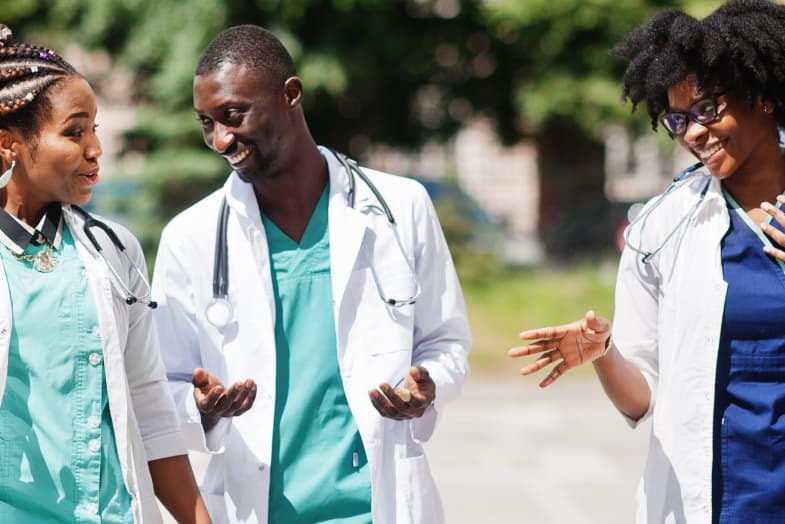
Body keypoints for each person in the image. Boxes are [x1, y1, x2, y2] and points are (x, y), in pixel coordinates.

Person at [151, 24, 471, 524]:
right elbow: (164, 384)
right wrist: (203, 406)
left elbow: (446, 342)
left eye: (233, 115)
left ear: (291, 95)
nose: (220, 139)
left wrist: (427, 387)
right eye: (206, 123)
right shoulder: (189, 238)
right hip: (258, 508)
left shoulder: (399, 208)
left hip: (378, 506)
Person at [508, 1, 785, 522]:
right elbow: (643, 401)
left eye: (707, 109)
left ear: (763, 96)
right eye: (678, 119)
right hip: (719, 500)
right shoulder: (661, 229)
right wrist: (604, 353)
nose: (693, 133)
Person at [0, 25, 210, 523]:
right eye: (74, 132)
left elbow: (149, 407)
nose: (95, 149)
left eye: (94, 128)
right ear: (9, 145)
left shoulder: (115, 252)